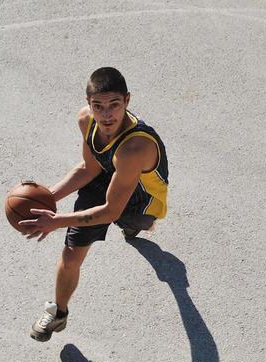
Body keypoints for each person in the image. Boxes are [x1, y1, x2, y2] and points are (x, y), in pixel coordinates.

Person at [19, 67, 169, 341]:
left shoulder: (133, 149)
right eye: (98, 106)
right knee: (70, 255)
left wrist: (56, 221)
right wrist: (47, 198)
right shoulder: (86, 121)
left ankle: (133, 229)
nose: (107, 114)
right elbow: (90, 168)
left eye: (114, 105)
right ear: (89, 104)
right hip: (105, 178)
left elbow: (111, 210)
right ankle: (59, 312)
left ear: (127, 101)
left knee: (131, 225)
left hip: (139, 200)